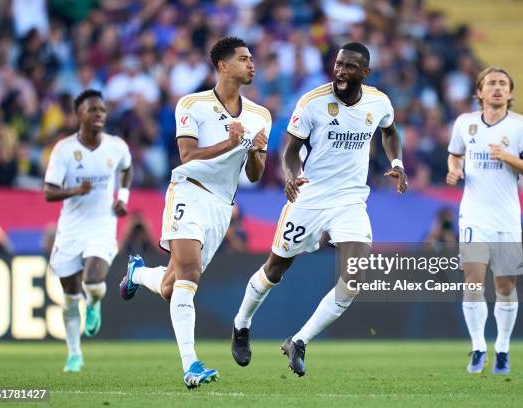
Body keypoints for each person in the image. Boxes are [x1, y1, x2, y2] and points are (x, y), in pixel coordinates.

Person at [230, 42, 407, 376]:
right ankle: (241, 324)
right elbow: (290, 149)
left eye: (349, 67)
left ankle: (299, 341)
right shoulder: (312, 102)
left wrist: (396, 161)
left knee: (355, 277)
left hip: (351, 200)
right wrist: (291, 176)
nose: (340, 72)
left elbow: (390, 131)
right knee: (275, 270)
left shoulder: (378, 102)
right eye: (338, 64)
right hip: (309, 197)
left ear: (364, 73)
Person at [118, 37, 270, 389]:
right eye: (244, 59)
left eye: (252, 58)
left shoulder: (260, 115)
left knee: (173, 287)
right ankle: (192, 365)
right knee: (189, 275)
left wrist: (256, 152)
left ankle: (138, 274)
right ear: (223, 66)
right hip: (189, 190)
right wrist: (230, 144)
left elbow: (255, 175)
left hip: (221, 206)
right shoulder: (193, 104)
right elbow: (187, 155)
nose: (252, 64)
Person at [446, 67, 523, 375]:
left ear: (510, 94)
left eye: (503, 84)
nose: (497, 88)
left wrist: (507, 157)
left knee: (504, 285)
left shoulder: (521, 126)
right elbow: (455, 154)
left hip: (507, 217)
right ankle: (477, 348)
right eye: (491, 83)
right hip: (474, 215)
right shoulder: (465, 123)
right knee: (472, 282)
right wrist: (455, 169)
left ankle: (502, 348)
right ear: (480, 92)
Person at [44, 89, 133, 373]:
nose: (99, 115)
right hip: (70, 229)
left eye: (102, 110)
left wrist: (123, 198)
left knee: (93, 282)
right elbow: (48, 192)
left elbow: (127, 169)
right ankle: (74, 353)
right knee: (70, 296)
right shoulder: (64, 149)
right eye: (92, 110)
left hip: (102, 224)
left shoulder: (116, 146)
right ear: (78, 114)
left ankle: (93, 303)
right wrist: (74, 190)